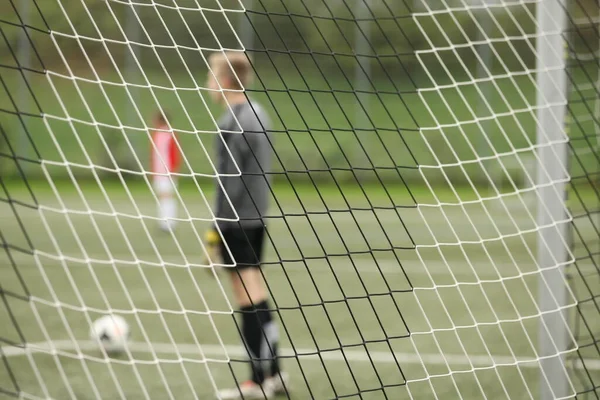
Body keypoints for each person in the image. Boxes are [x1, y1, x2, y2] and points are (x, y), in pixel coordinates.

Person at [205, 51, 289, 399]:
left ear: (224, 81)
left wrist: (213, 235)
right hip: (258, 218)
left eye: (211, 75)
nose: (208, 82)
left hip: (236, 221)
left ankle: (256, 381)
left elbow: (229, 185)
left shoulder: (230, 122)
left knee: (246, 297)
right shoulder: (260, 114)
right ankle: (275, 373)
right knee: (258, 293)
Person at [150, 110, 180, 232]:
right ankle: (163, 222)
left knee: (168, 197)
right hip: (158, 173)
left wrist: (173, 170)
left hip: (168, 172)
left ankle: (170, 223)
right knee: (162, 197)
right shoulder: (156, 134)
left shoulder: (169, 134)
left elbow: (174, 153)